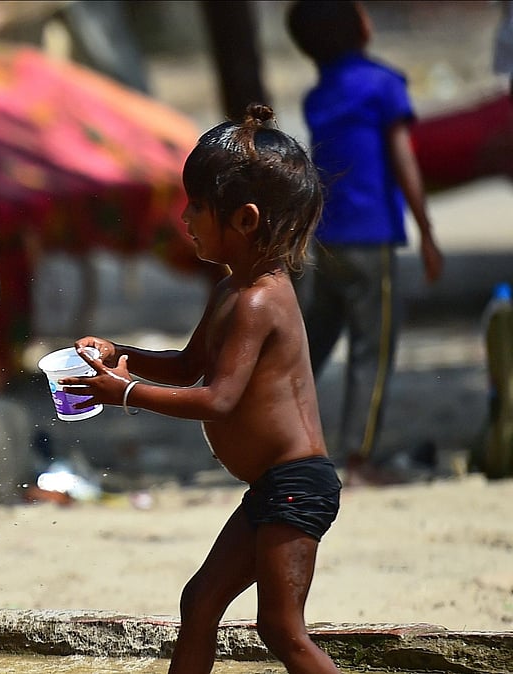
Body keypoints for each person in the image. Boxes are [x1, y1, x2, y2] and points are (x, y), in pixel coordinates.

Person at [61, 104, 342, 674]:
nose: (184, 218)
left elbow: (217, 398)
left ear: (244, 219)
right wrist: (122, 354)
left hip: (296, 486)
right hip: (271, 488)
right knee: (201, 601)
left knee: (281, 629)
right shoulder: (230, 290)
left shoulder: (260, 301)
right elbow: (189, 365)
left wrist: (124, 392)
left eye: (196, 207)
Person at [286, 0, 444, 485]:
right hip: (372, 239)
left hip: (327, 239)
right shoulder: (382, 85)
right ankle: (358, 459)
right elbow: (403, 159)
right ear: (359, 28)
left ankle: (281, 438)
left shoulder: (318, 96)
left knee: (313, 344)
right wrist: (427, 231)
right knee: (371, 352)